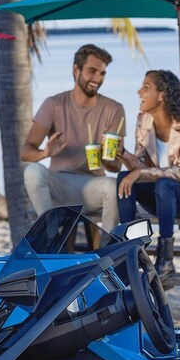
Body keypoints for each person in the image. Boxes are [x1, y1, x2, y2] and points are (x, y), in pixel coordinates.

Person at [117, 70, 180, 285]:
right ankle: (129, 253)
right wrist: (122, 153)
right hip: (160, 200)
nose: (139, 92)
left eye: (146, 87)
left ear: (161, 95)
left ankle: (166, 260)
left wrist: (140, 173)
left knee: (165, 184)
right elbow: (140, 166)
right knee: (124, 178)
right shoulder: (143, 120)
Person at [21, 44, 125, 230]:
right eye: (92, 71)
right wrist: (45, 153)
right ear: (76, 70)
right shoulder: (54, 104)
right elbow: (26, 152)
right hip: (59, 185)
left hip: (93, 185)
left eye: (102, 73)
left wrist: (106, 159)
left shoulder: (114, 109)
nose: (97, 79)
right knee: (32, 171)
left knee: (112, 185)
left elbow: (116, 166)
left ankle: (110, 245)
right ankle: (51, 233)